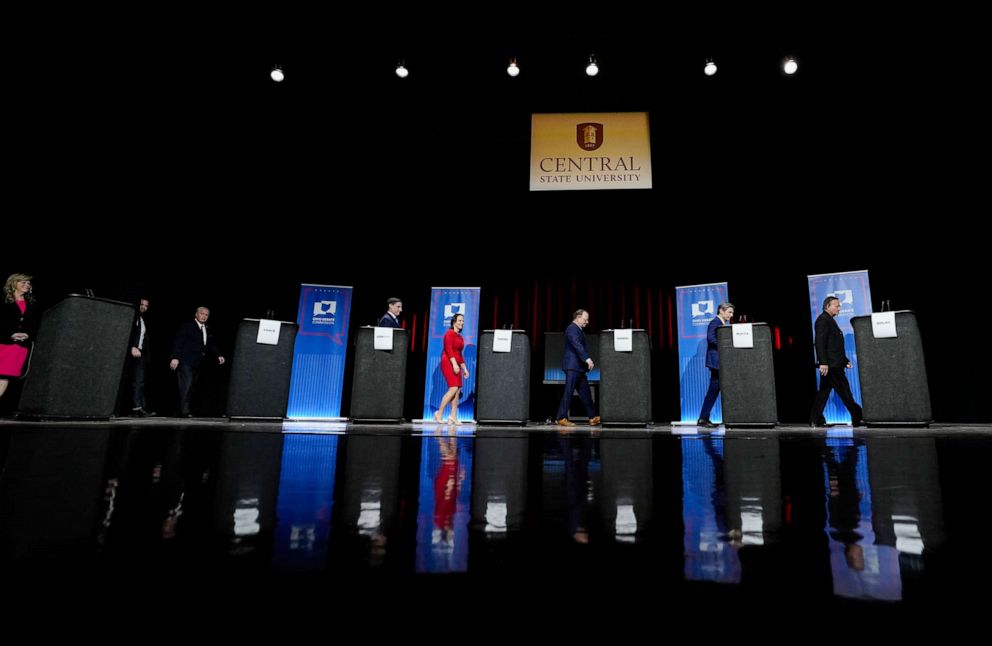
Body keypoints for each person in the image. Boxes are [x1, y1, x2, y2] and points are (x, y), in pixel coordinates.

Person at [809, 296, 864, 427]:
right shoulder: (823, 320)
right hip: (831, 365)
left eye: (839, 306)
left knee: (824, 392)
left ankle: (815, 419)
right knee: (845, 392)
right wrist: (823, 362)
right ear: (827, 306)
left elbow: (834, 345)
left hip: (834, 363)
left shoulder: (829, 320)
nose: (839, 308)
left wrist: (845, 361)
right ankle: (857, 416)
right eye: (837, 305)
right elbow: (820, 343)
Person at [169, 306, 225, 417]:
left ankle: (180, 410)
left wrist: (218, 355)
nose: (204, 316)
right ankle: (184, 411)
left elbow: (210, 344)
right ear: (196, 314)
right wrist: (175, 357)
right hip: (185, 361)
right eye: (202, 314)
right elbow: (179, 342)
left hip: (197, 363)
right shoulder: (187, 326)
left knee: (191, 386)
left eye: (206, 315)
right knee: (187, 384)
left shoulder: (206, 328)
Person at [556, 309, 601, 426]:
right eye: (585, 319)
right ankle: (561, 417)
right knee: (569, 391)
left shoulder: (578, 330)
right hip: (572, 366)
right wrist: (587, 359)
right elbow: (577, 345)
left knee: (585, 392)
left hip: (578, 367)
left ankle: (593, 417)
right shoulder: (571, 328)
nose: (587, 322)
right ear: (578, 317)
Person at [0, 273, 38, 401]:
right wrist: (9, 334)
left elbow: (35, 324)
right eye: (23, 282)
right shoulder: (3, 300)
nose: (27, 285)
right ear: (13, 283)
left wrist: (28, 334)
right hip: (3, 342)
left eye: (28, 283)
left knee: (4, 376)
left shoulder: (32, 304)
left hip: (18, 347)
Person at [697, 302, 735, 428]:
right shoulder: (715, 322)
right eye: (729, 312)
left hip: (720, 362)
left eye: (732, 312)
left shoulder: (722, 323)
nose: (731, 314)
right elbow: (711, 338)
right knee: (713, 390)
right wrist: (725, 345)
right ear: (721, 311)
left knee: (714, 390)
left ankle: (704, 418)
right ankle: (703, 418)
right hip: (716, 362)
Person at [434, 313, 469, 424]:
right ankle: (439, 413)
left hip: (456, 362)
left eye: (462, 321)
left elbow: (460, 354)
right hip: (448, 361)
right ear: (454, 322)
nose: (461, 323)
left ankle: (453, 416)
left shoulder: (460, 337)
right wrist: (454, 364)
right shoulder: (449, 333)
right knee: (453, 388)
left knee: (457, 390)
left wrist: (465, 369)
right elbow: (449, 350)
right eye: (459, 320)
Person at [128, 298, 155, 416]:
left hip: (140, 355)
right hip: (132, 353)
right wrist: (132, 347)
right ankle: (137, 408)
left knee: (140, 381)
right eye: (142, 304)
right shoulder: (133, 316)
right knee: (137, 381)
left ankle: (140, 407)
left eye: (146, 305)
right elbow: (129, 332)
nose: (144, 307)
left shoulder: (142, 318)